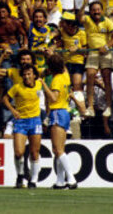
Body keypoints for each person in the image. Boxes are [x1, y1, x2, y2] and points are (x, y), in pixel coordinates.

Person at [41, 54, 79, 189]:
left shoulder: (56, 80)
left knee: (57, 149)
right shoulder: (65, 76)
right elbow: (63, 67)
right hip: (65, 112)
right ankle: (60, 181)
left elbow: (53, 98)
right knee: (59, 149)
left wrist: (44, 84)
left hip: (57, 111)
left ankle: (72, 179)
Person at [3, 64, 42, 189]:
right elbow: (5, 99)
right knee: (19, 152)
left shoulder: (39, 84)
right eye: (24, 74)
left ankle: (33, 180)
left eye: (29, 74)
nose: (26, 76)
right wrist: (12, 110)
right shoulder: (17, 87)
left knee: (34, 153)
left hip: (35, 121)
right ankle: (20, 175)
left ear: (34, 75)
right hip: (21, 122)